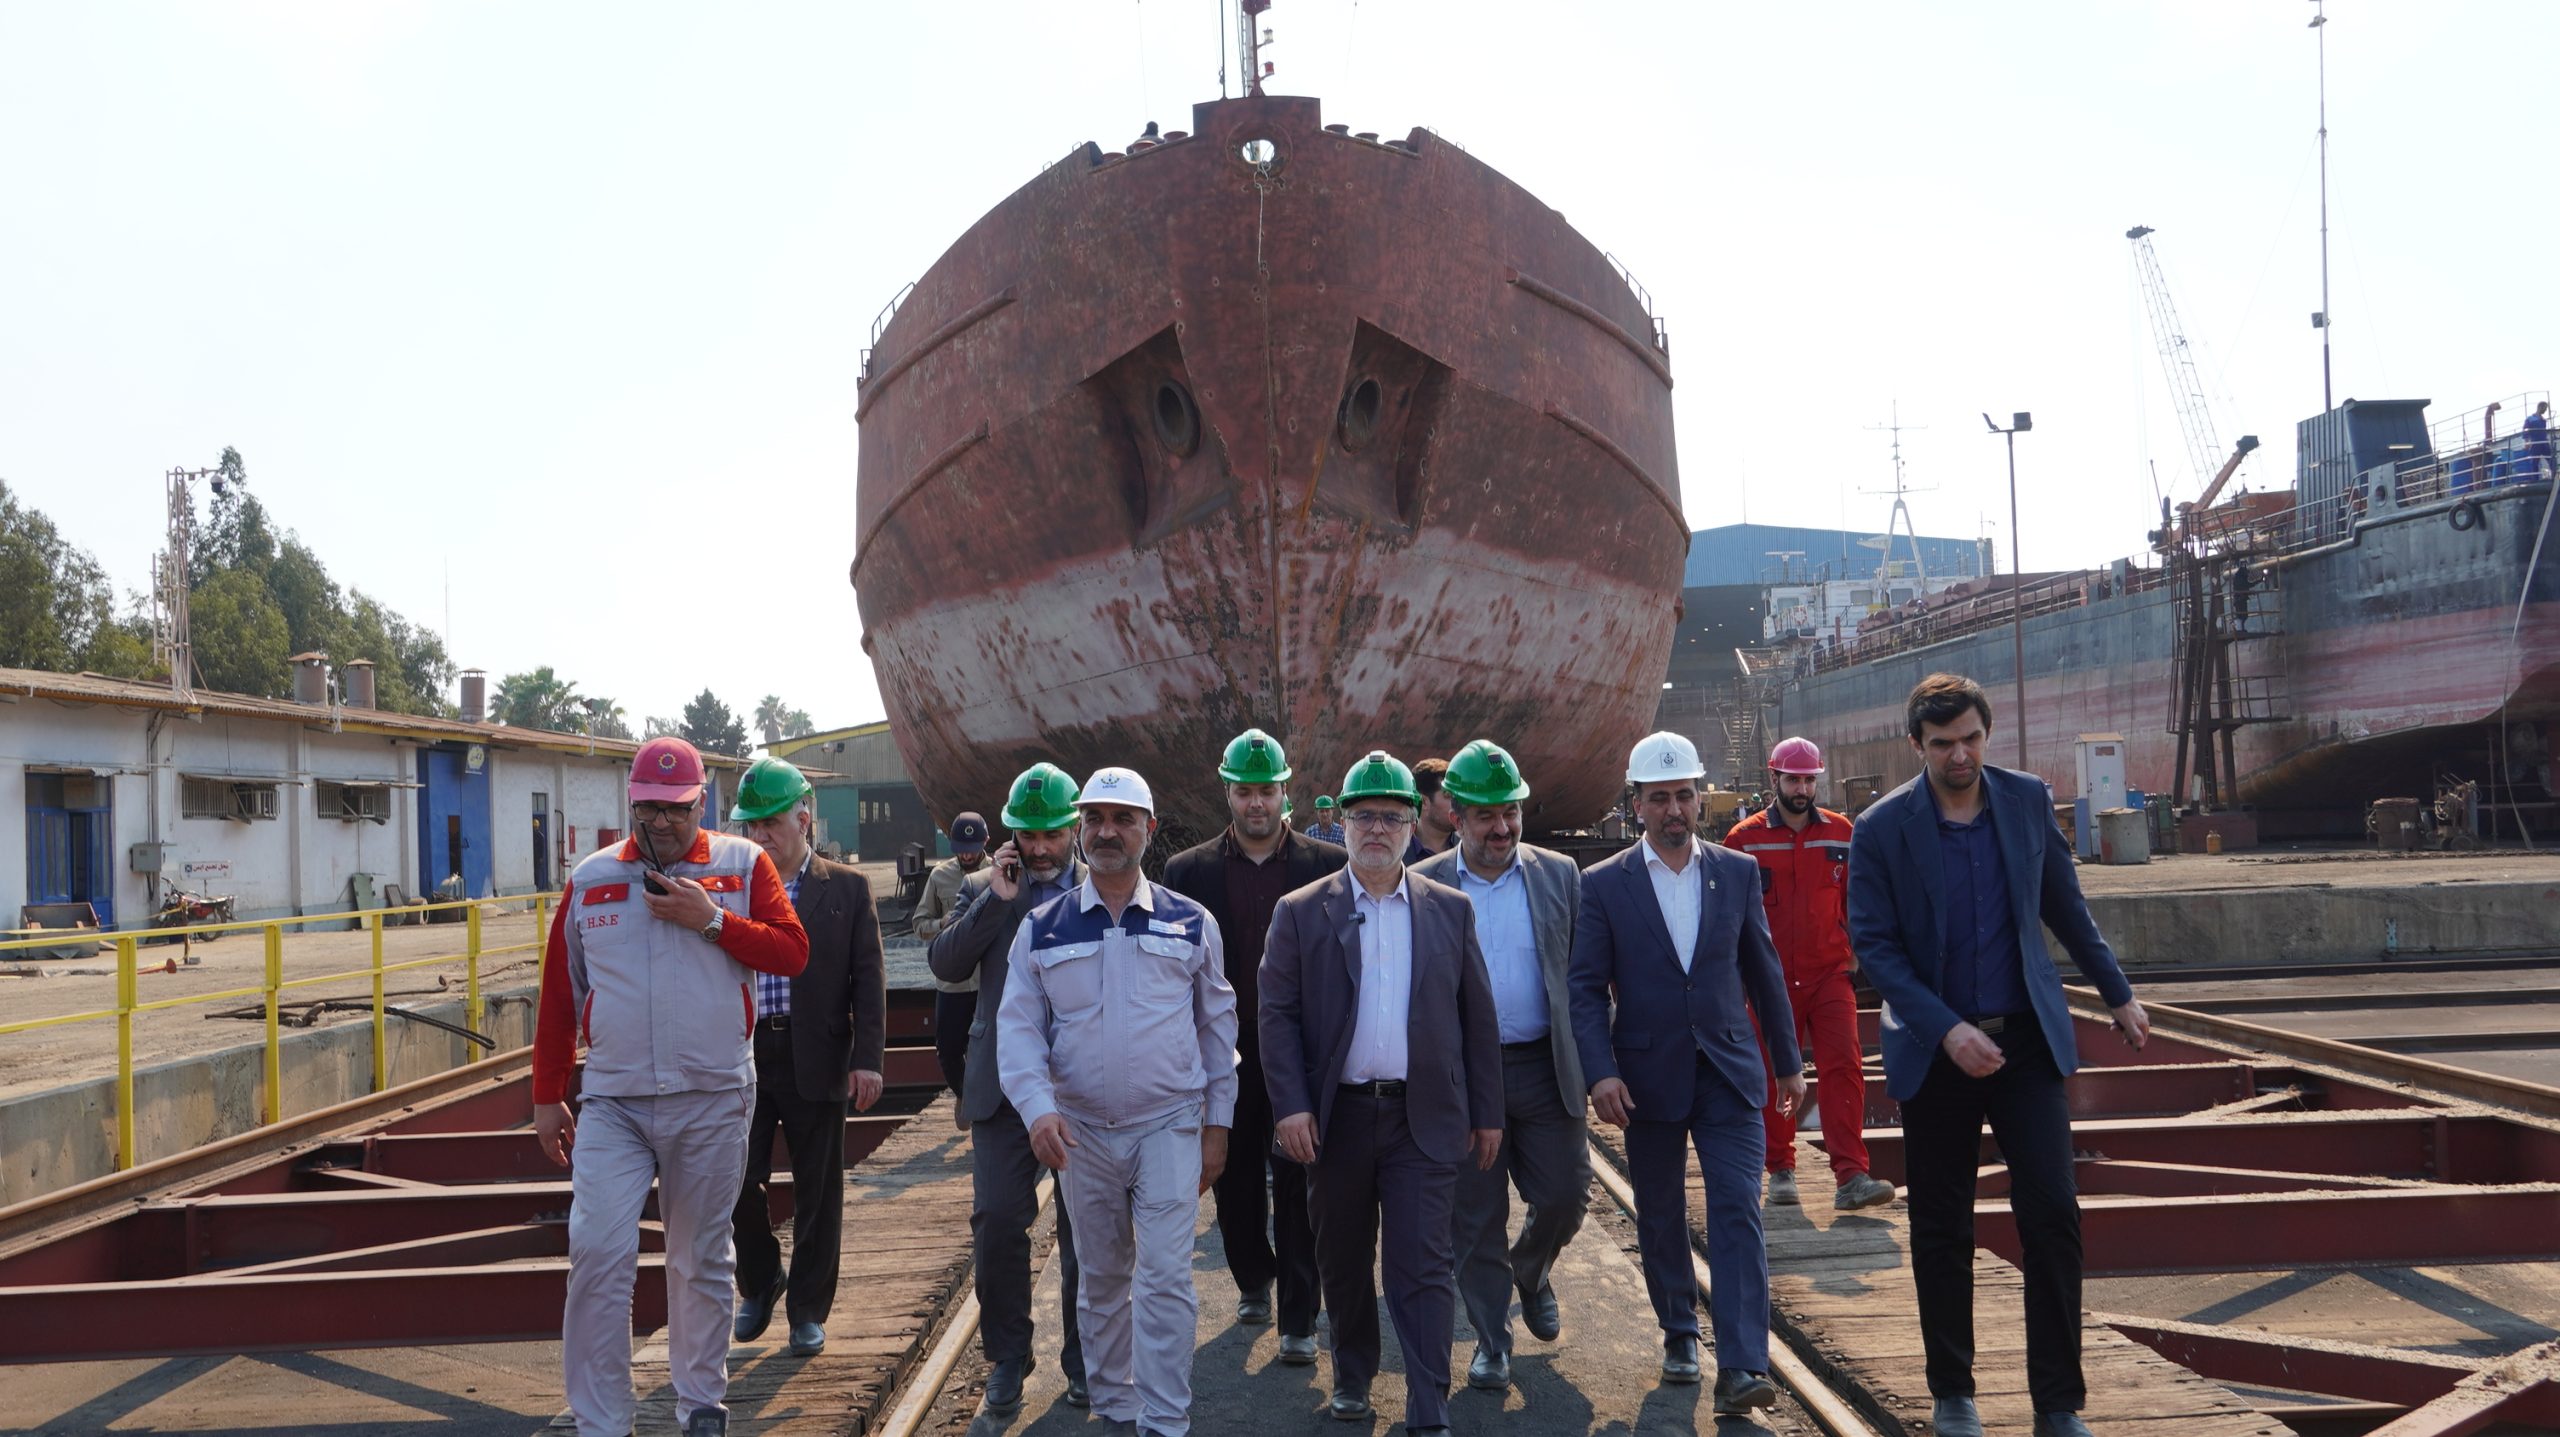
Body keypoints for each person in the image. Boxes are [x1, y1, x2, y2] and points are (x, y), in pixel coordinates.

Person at [1847, 674, 2150, 1437]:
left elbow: (2064, 905)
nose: (1960, 755)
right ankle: (1953, 1392)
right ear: (1917, 744)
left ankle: (2058, 1404)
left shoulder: (2024, 800)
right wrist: (1948, 1029)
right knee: (1942, 1223)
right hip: (1936, 1049)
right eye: (1943, 743)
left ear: (1987, 733)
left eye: (1972, 739)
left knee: (2052, 1213)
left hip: (2025, 1044)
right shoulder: (1881, 828)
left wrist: (2118, 993)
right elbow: (1875, 948)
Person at [531, 737, 810, 1437]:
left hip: (711, 1096)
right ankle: (602, 1421)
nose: (661, 823)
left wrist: (709, 919)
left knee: (699, 1255)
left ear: (701, 804)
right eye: (649, 809)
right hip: (615, 1101)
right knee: (598, 1251)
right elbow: (561, 993)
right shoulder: (592, 879)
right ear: (632, 802)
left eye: (677, 810)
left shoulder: (742, 865)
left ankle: (701, 1404)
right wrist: (547, 1092)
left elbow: (791, 950)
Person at [1260, 750, 1502, 1437]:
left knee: (1421, 1263)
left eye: (1392, 817)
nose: (1377, 828)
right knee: (1341, 1257)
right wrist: (1291, 1105)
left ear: (1413, 824)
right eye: (1364, 815)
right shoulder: (1300, 912)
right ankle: (1353, 1374)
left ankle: (1429, 1405)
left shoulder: (1449, 910)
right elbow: (1275, 1015)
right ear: (1341, 822)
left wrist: (1487, 1113)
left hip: (1421, 1119)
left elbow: (1477, 1018)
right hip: (1335, 1120)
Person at [998, 767, 1240, 1437]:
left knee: (1164, 1278)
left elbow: (1218, 1029)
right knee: (1102, 1277)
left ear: (1148, 829)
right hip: (1081, 1134)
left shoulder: (1190, 923)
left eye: (1123, 819)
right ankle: (1115, 1406)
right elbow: (1018, 1030)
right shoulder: (1042, 928)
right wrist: (1037, 1109)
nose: (1107, 831)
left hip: (1168, 1126)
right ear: (1080, 828)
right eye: (1095, 818)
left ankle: (1164, 1419)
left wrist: (1218, 1124)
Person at [1568, 730, 1801, 1416]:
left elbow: (1763, 970)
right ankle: (1679, 1329)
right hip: (1646, 1077)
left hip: (1729, 1070)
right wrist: (1600, 1073)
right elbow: (1584, 990)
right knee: (1662, 1211)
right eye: (1660, 797)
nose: (1675, 809)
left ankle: (1743, 1365)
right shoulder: (1603, 885)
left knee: (1737, 1207)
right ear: (1636, 803)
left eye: (1685, 795)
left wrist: (1788, 1061)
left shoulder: (1736, 872)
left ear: (1700, 797)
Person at [1161, 729, 1346, 1363]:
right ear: (1228, 794)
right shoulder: (1188, 873)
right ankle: (1252, 1277)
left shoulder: (1328, 866)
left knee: (1300, 1177)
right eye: (1245, 792)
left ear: (1285, 791)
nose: (1257, 803)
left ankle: (1299, 1315)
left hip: (1302, 1050)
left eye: (1267, 791)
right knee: (1232, 1175)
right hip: (1225, 1049)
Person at [1411, 740, 1589, 1392]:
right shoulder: (1424, 884)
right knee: (1475, 1216)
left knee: (1566, 1195)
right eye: (1486, 815)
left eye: (1509, 812)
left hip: (1543, 1065)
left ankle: (1531, 1269)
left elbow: (1584, 976)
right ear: (1455, 816)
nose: (1502, 827)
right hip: (1464, 1078)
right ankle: (1492, 1341)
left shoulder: (1560, 875)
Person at [925, 763, 1089, 1412]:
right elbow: (946, 963)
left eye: (1053, 834)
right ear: (1011, 835)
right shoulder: (981, 888)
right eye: (1029, 835)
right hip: (1002, 1087)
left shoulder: (1104, 886)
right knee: (996, 1221)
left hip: (1082, 1088)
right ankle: (1008, 1357)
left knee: (1087, 1232)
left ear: (1075, 829)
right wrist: (995, 899)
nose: (1041, 848)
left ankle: (1085, 1357)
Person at [725, 757, 887, 1358]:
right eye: (752, 825)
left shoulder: (846, 889)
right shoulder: (733, 888)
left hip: (816, 1051)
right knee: (734, 1179)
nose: (760, 835)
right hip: (742, 1055)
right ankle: (761, 1278)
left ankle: (808, 1310)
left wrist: (868, 1058)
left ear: (803, 818)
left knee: (818, 1189)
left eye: (770, 822)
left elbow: (868, 979)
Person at [1723, 738, 1896, 1213]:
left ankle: (1851, 1176)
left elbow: (1859, 901)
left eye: (1808, 780)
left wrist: (1856, 955)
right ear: (1774, 778)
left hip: (1828, 976)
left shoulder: (1841, 834)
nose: (1801, 789)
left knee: (1845, 1067)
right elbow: (1726, 916)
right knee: (1773, 1071)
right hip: (1769, 982)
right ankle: (1781, 1168)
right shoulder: (1743, 840)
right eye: (1793, 779)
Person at [911, 811, 991, 1126]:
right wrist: (941, 924)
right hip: (953, 982)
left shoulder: (999, 875)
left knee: (994, 1048)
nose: (967, 855)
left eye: (972, 848)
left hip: (988, 980)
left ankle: (986, 1107)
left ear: (985, 842)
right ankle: (964, 1094)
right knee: (947, 1049)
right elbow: (919, 924)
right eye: (961, 849)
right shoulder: (940, 877)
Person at [1405, 756, 1456, 862]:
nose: (1458, 803)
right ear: (1423, 802)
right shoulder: (1397, 850)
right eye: (1448, 796)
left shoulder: (1471, 848)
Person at [2525, 399, 2553, 483]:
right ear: (2540, 407)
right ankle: (2535, 480)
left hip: (2544, 442)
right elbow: (2525, 431)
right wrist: (2527, 442)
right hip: (2535, 442)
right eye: (2545, 408)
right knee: (2534, 462)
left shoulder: (2543, 420)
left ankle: (2555, 477)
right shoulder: (2530, 419)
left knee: (2551, 459)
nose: (2545, 410)